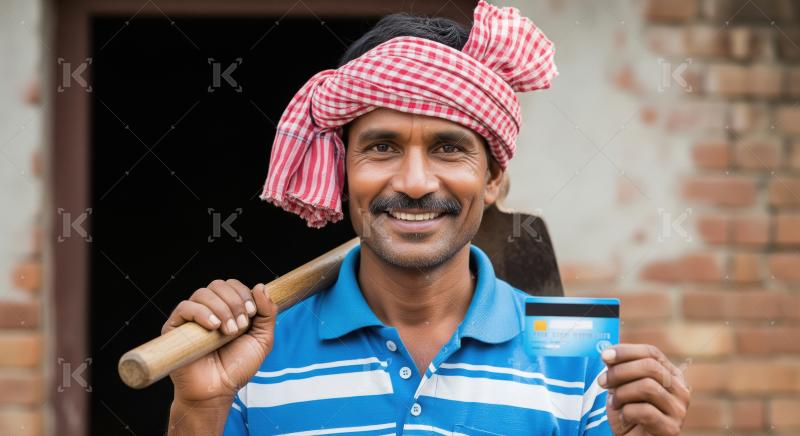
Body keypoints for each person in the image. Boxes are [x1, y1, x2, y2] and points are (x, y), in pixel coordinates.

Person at [164, 2, 690, 435]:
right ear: (342, 171)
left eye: (448, 148)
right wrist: (199, 410)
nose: (415, 183)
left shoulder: (582, 367)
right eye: (382, 147)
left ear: (493, 177)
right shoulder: (252, 362)